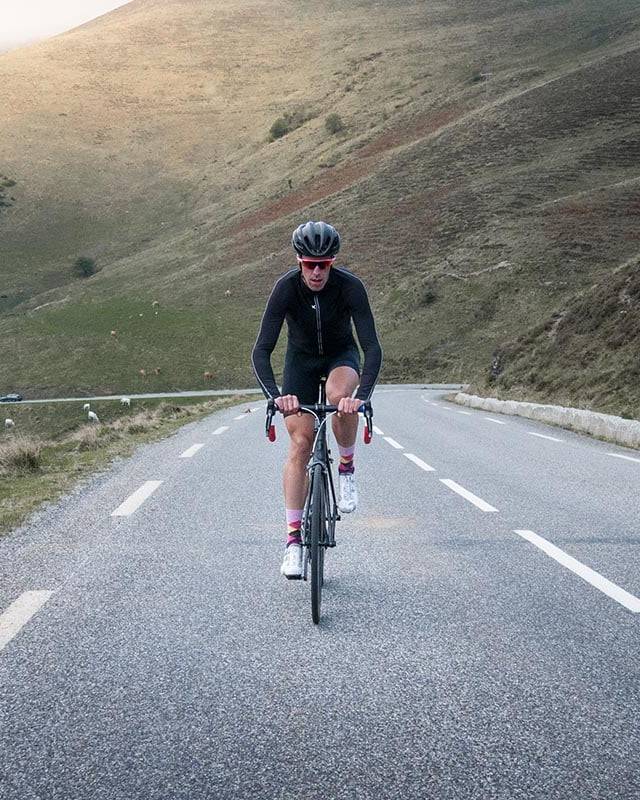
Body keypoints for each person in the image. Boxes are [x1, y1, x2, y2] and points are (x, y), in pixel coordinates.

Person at [251, 220, 382, 579]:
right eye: (310, 264)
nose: (317, 272)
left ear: (333, 262)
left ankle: (346, 467)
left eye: (323, 265)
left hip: (341, 357)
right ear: (299, 261)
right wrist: (277, 398)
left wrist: (363, 398)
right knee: (300, 444)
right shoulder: (285, 290)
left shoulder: (350, 288)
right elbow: (261, 351)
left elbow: (371, 348)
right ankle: (293, 543)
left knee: (339, 397)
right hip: (300, 365)